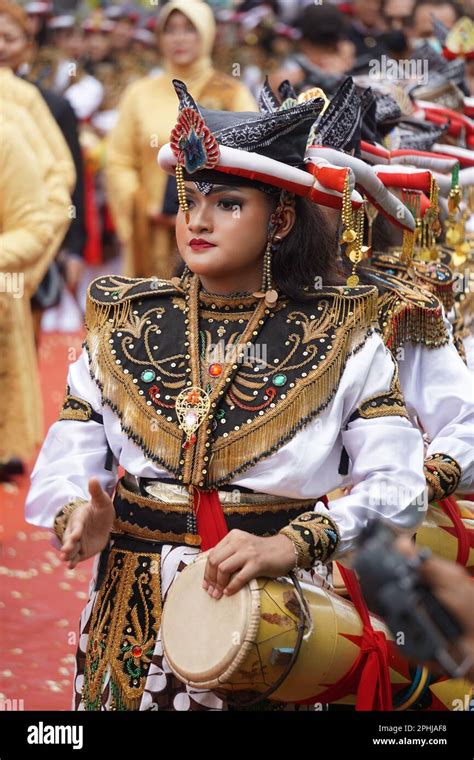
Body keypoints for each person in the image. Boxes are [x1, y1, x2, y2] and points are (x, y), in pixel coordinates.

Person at [26, 80, 426, 711]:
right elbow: (69, 461)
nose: (199, 219)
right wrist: (77, 514)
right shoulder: (125, 321)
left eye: (229, 204)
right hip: (132, 606)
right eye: (191, 199)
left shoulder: (344, 331)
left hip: (274, 602)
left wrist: (292, 543)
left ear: (283, 219)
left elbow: (397, 484)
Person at [106, 0, 257, 280]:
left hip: (213, 231)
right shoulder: (139, 93)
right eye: (170, 30)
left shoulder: (231, 93)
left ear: (208, 34)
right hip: (150, 232)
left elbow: (249, 164)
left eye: (189, 29)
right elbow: (118, 160)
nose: (179, 38)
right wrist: (144, 205)